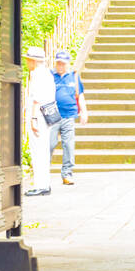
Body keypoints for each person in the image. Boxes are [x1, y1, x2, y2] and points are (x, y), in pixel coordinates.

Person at [50, 49, 88, 186]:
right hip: (52, 116)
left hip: (69, 115)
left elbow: (80, 95)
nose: (60, 66)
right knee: (50, 143)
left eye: (63, 64)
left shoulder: (74, 76)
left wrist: (84, 111)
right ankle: (44, 172)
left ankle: (67, 173)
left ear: (68, 64)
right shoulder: (50, 75)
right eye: (58, 63)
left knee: (68, 145)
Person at [24, 46, 57, 197]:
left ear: (33, 61)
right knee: (42, 150)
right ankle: (44, 184)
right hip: (45, 116)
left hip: (39, 115)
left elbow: (36, 99)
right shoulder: (47, 73)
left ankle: (40, 185)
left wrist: (33, 118)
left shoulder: (37, 74)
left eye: (28, 60)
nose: (26, 62)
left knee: (38, 151)